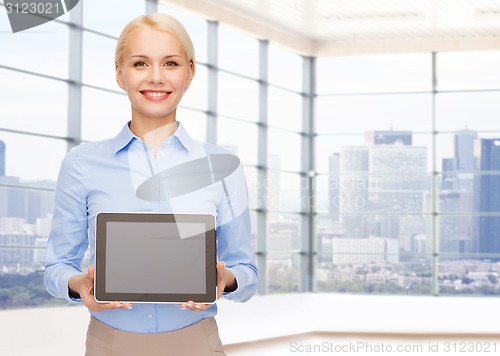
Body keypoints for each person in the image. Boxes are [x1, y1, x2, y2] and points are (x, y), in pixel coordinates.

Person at [44, 13, 258, 356]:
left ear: (189, 73)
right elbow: (57, 266)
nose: (156, 77)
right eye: (140, 63)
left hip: (197, 342)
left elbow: (246, 272)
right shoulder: (82, 164)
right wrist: (78, 285)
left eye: (170, 63)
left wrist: (225, 280)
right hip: (109, 344)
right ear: (120, 73)